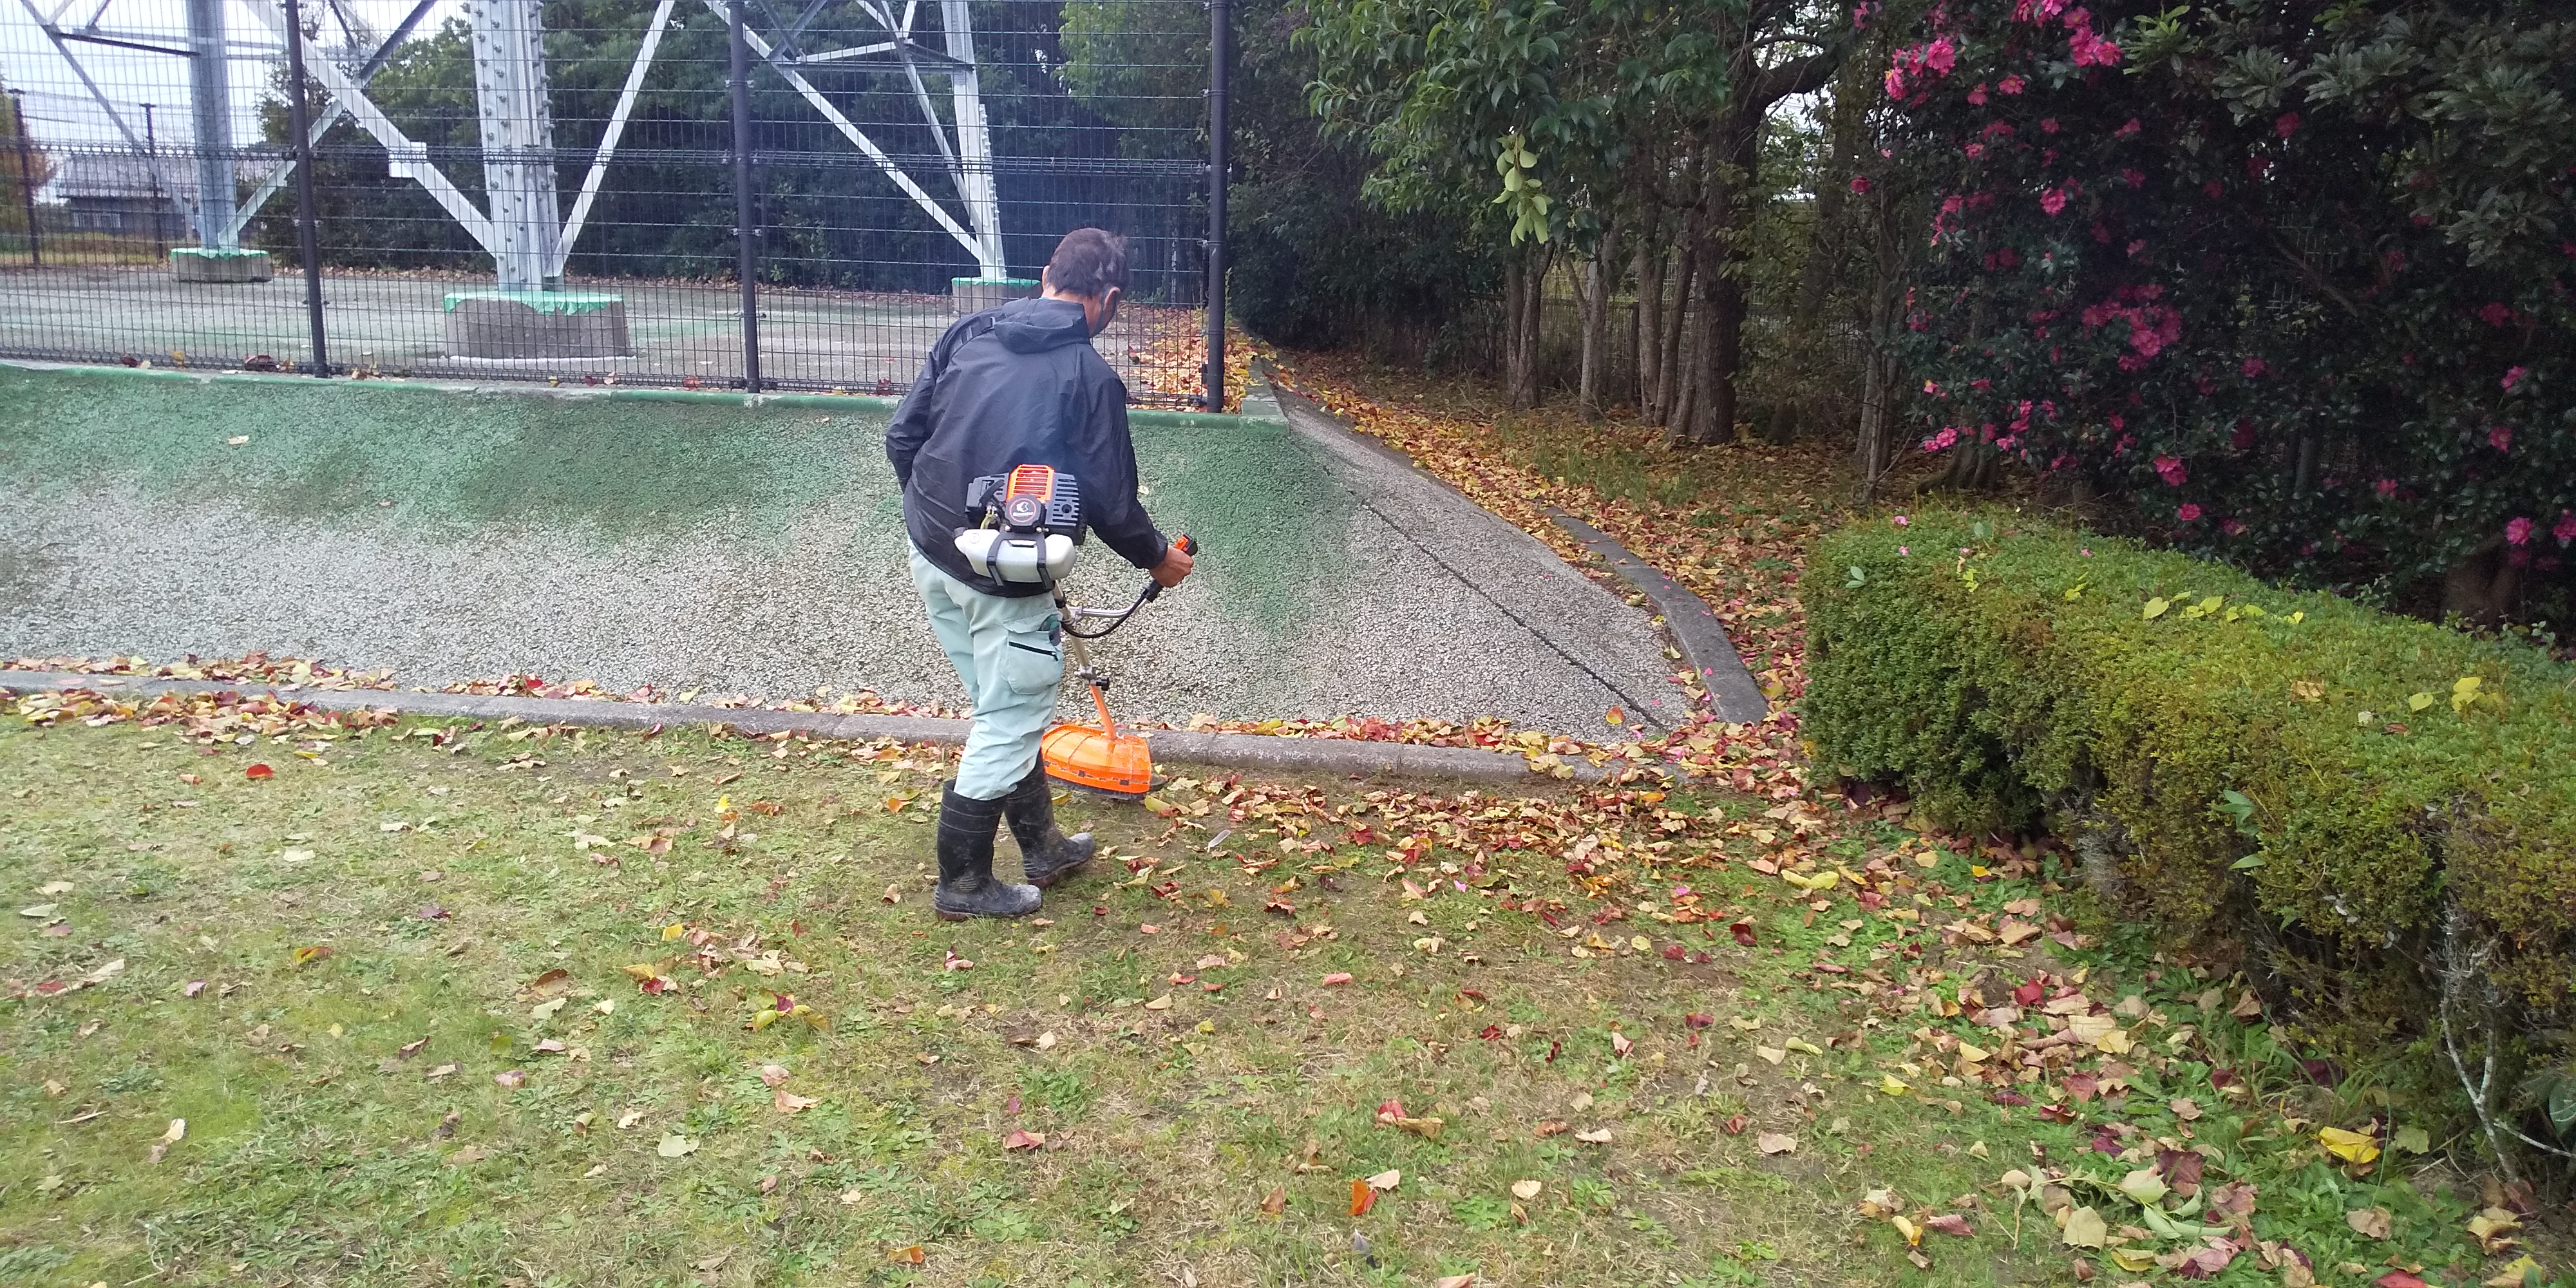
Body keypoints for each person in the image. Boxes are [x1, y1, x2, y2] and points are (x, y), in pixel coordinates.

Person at [886, 228, 1195, 920]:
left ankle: (1043, 847)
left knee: (1003, 704)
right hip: (1004, 580)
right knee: (1009, 713)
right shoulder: (1089, 377)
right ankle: (963, 883)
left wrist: (940, 516)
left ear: (1048, 274)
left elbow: (903, 436)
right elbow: (1111, 499)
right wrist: (1158, 557)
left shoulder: (969, 332)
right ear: (1107, 297)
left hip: (930, 551)